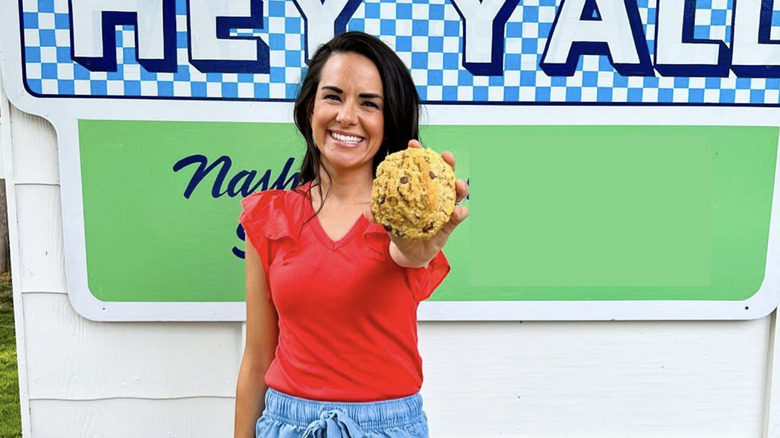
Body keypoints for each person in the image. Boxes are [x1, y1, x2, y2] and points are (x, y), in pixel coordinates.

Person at [234, 31, 469, 438]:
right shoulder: (270, 218)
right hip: (287, 425)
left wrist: (415, 247)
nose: (347, 116)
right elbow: (256, 361)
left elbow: (410, 254)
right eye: (333, 96)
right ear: (310, 108)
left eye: (369, 103)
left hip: (386, 428)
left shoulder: (408, 227)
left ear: (388, 118)